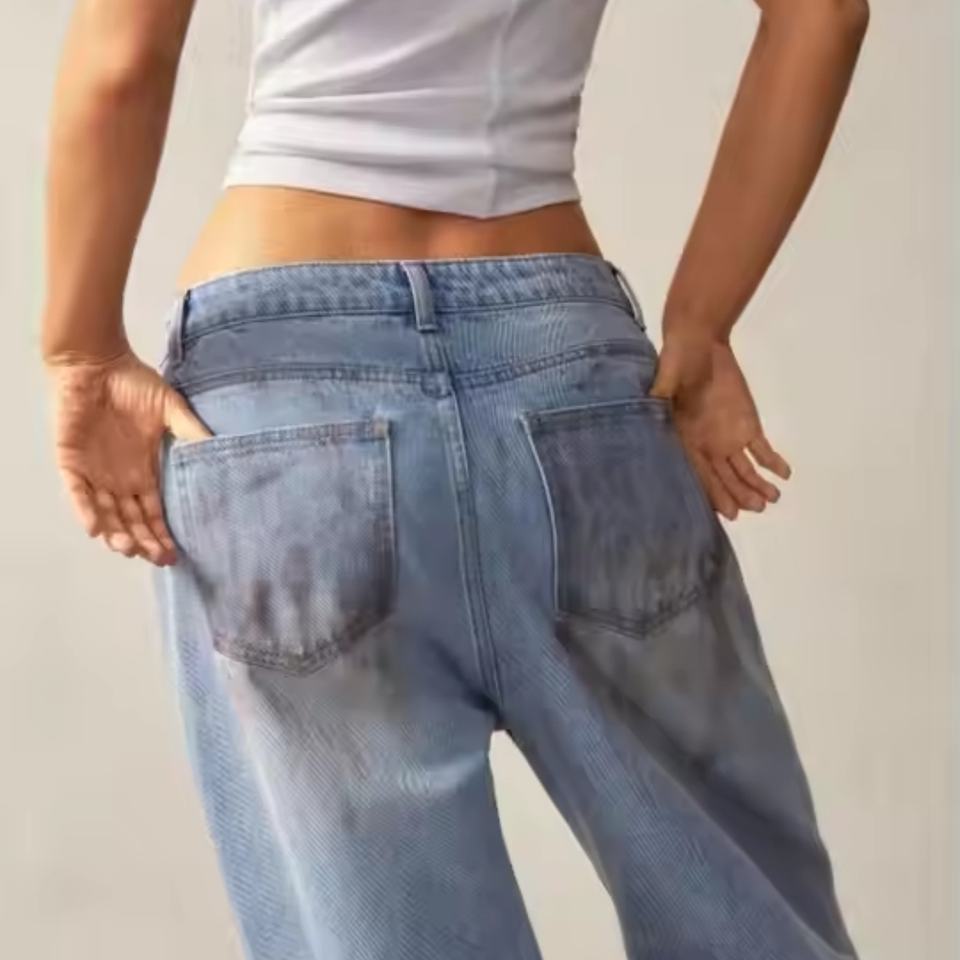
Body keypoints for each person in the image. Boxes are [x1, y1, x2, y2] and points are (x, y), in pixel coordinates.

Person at [40, 1, 870, 958]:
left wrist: (80, 347)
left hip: (284, 401)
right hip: (565, 371)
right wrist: (704, 323)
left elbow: (123, 61)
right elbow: (825, 13)